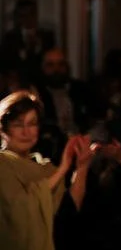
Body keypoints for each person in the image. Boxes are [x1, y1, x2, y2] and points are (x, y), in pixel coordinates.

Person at [0, 90, 94, 250]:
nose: (26, 132)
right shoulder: (3, 163)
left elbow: (68, 211)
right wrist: (64, 168)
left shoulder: (46, 168)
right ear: (3, 129)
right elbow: (18, 211)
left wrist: (82, 166)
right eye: (18, 124)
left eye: (32, 124)